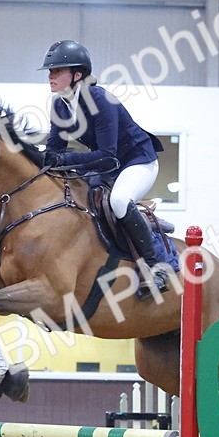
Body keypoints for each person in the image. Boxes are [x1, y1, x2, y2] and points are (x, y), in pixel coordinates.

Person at [39, 40, 168, 296]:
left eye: (57, 71)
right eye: (50, 71)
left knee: (119, 201)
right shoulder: (59, 104)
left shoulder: (100, 99)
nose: (50, 76)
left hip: (137, 161)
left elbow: (108, 156)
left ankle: (156, 266)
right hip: (106, 166)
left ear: (77, 75)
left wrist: (64, 161)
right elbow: (55, 148)